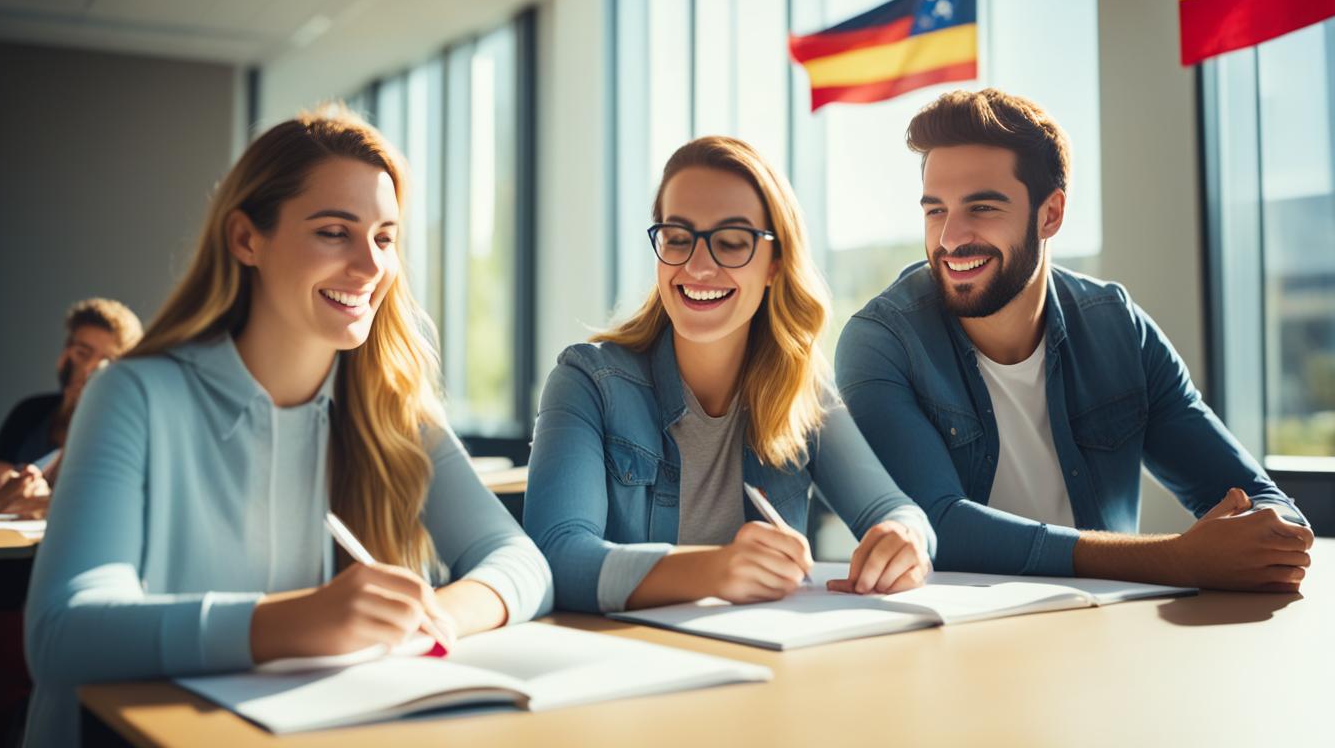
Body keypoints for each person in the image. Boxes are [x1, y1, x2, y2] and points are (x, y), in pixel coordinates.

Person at [23, 107, 552, 747]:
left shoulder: (388, 407)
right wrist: (298, 622)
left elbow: (522, 563)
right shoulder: (131, 394)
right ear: (247, 239)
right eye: (335, 231)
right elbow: (62, 633)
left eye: (384, 238)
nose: (369, 266)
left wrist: (428, 617)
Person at [835, 88, 1312, 591]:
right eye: (935, 211)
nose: (951, 238)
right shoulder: (881, 341)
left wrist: (1268, 535)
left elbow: (1260, 498)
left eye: (981, 207)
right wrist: (1175, 559)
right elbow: (935, 527)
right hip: (953, 640)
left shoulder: (1117, 328)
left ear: (1050, 214)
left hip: (1104, 633)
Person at [525, 136, 935, 614]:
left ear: (774, 264)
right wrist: (715, 570)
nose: (698, 266)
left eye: (731, 242)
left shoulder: (799, 389)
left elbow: (896, 511)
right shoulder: (588, 382)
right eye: (678, 238)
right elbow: (557, 556)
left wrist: (905, 539)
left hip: (764, 664)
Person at [0, 298, 142, 467]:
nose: (88, 369)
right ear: (66, 353)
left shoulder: (126, 434)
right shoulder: (29, 411)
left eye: (107, 361)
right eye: (82, 353)